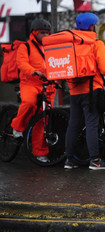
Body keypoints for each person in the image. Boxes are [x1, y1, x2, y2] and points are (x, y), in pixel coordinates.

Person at [64, 13, 105, 170]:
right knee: (92, 123)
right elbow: (104, 67)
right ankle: (95, 160)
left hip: (74, 91)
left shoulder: (71, 43)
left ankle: (69, 160)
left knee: (73, 125)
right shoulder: (95, 43)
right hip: (91, 90)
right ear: (92, 26)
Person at [11, 19, 55, 163]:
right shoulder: (25, 47)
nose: (45, 35)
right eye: (42, 33)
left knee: (43, 120)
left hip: (48, 86)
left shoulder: (51, 48)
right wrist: (33, 71)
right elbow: (21, 63)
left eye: (46, 33)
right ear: (34, 33)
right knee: (29, 103)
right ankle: (17, 127)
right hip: (30, 82)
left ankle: (40, 153)